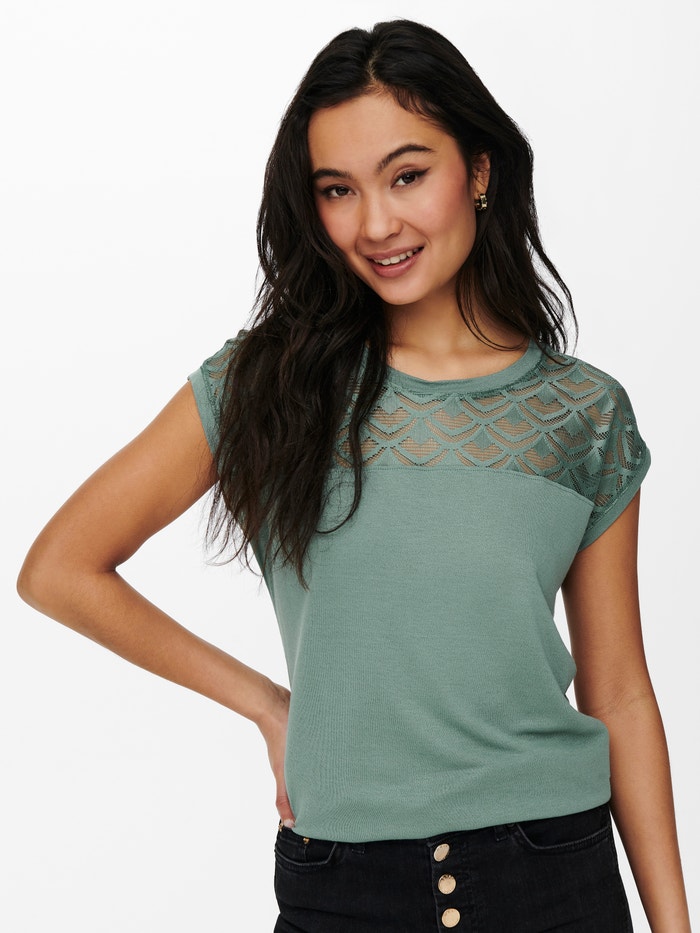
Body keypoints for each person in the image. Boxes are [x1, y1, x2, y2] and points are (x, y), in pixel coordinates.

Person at [17, 18, 690, 933]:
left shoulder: (582, 413)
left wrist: (673, 924)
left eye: (406, 175)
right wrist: (268, 704)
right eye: (338, 189)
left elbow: (620, 693)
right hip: (343, 889)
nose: (376, 224)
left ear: (479, 170)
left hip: (555, 878)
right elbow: (59, 568)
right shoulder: (265, 386)